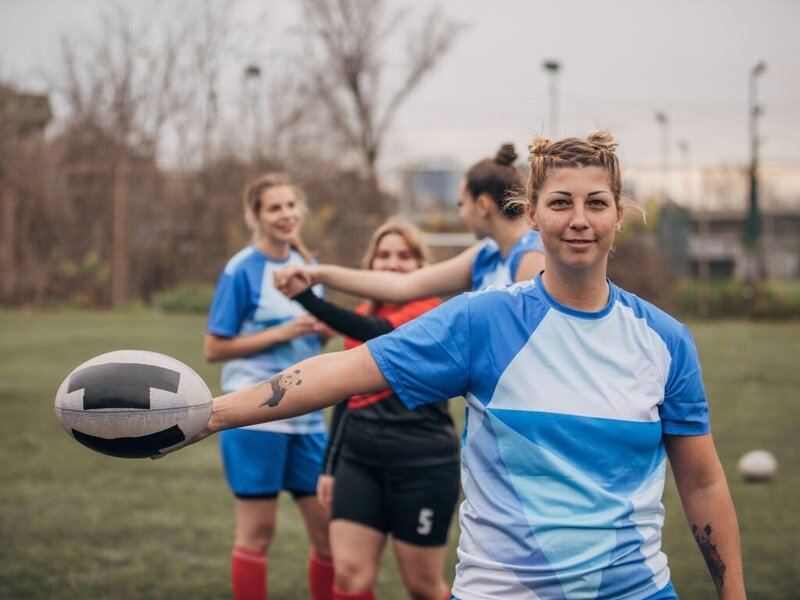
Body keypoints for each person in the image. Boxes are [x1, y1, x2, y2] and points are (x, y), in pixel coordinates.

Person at [181, 132, 746, 600]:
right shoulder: (481, 320)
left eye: (596, 203)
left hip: (635, 589)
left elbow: (702, 479)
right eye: (560, 203)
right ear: (530, 215)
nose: (579, 219)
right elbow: (340, 372)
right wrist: (209, 414)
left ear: (619, 215)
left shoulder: (666, 340)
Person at [286, 219, 460, 600]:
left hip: (423, 468)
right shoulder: (363, 313)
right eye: (384, 255)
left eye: (404, 256)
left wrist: (307, 296)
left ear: (420, 266)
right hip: (359, 461)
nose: (393, 263)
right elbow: (345, 396)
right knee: (349, 575)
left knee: (423, 587)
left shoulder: (429, 310)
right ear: (370, 263)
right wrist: (330, 466)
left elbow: (377, 330)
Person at [204, 172, 333, 600]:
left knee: (329, 534)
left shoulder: (309, 264)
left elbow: (312, 336)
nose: (286, 215)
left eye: (291, 205)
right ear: (254, 217)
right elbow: (213, 347)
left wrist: (318, 333)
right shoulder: (241, 269)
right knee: (258, 533)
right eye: (274, 207)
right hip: (256, 418)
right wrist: (282, 332)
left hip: (309, 418)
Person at [273, 144, 544, 302]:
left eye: (462, 204)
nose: (461, 214)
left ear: (483, 205)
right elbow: (404, 286)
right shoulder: (486, 254)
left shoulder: (531, 259)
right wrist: (318, 274)